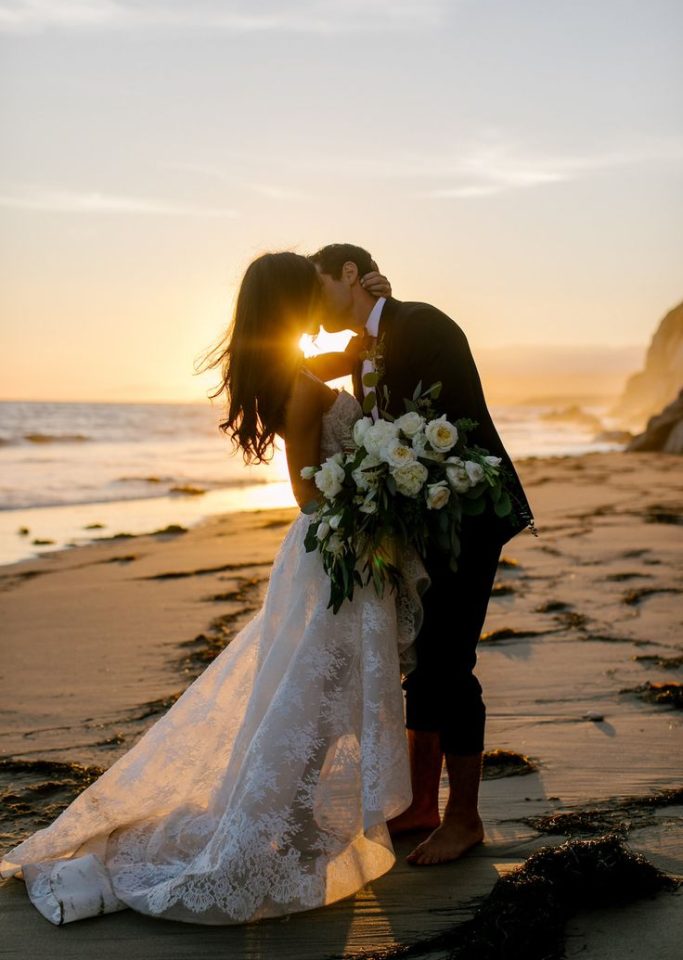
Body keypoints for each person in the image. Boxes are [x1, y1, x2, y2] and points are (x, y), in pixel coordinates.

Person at [0, 252, 430, 926]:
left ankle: (292, 822)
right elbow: (305, 490)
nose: (320, 294)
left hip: (340, 553)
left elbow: (362, 358)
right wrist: (367, 492)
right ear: (290, 302)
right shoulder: (296, 381)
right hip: (335, 552)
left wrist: (376, 316)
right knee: (315, 697)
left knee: (320, 694)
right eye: (308, 289)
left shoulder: (298, 371)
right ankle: (278, 830)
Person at [308, 243, 535, 866]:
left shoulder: (423, 323)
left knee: (448, 661)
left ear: (350, 274)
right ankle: (421, 806)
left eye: (317, 284)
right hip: (419, 523)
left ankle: (465, 819)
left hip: (466, 515)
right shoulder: (366, 347)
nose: (310, 301)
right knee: (423, 661)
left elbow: (450, 424)